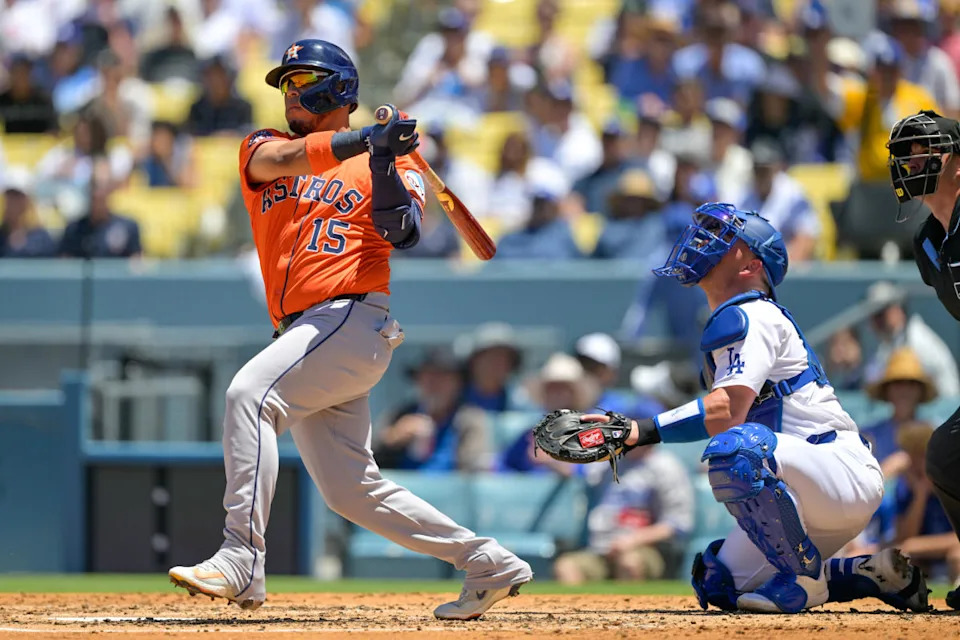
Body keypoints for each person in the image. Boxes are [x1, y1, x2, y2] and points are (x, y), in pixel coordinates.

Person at [166, 39, 532, 621]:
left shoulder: (389, 159)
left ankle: (241, 557)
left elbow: (405, 232)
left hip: (350, 318)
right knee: (349, 490)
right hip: (306, 334)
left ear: (338, 88)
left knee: (249, 396)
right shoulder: (261, 147)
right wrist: (369, 139)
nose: (290, 93)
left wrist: (386, 159)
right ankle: (486, 560)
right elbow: (286, 163)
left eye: (301, 80)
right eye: (285, 83)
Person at [535, 203, 929, 613]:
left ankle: (805, 579)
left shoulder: (753, 312)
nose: (705, 241)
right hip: (802, 488)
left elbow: (726, 411)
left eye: (728, 239)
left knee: (736, 451)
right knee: (717, 582)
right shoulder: (736, 317)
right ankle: (867, 573)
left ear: (752, 264)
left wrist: (639, 432)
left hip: (836, 470)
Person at [886, 108, 960, 609]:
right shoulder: (926, 241)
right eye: (907, 154)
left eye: (925, 150)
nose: (913, 161)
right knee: (946, 456)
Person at [553, 444, 693, 584]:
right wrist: (548, 456)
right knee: (566, 566)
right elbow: (574, 469)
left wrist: (633, 540)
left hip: (644, 549)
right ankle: (577, 606)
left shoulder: (666, 466)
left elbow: (678, 524)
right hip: (600, 550)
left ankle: (631, 606)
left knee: (629, 563)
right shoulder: (606, 462)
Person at [374, 346, 491, 472]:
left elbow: (476, 467)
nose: (435, 384)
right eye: (428, 376)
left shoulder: (470, 419)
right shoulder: (397, 415)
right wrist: (393, 438)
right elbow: (365, 459)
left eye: (443, 376)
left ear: (458, 383)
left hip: (450, 490)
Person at [862, 281, 960, 398]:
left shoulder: (918, 340)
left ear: (898, 309)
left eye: (881, 313)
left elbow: (946, 390)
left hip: (939, 409)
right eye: (873, 314)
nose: (876, 320)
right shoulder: (887, 343)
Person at [894, 421, 960, 584]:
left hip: (951, 554)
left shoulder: (952, 480)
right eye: (912, 455)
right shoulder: (905, 487)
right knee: (901, 557)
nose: (916, 462)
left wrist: (919, 545)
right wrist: (921, 495)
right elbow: (905, 537)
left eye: (921, 454)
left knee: (957, 555)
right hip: (927, 561)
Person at [862, 347, 938, 478]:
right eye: (898, 383)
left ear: (920, 390)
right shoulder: (869, 437)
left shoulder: (935, 436)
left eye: (911, 383)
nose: (904, 390)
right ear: (887, 390)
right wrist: (890, 468)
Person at [59, 159, 141, 259]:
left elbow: (137, 266)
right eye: (95, 184)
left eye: (104, 185)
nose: (99, 192)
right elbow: (65, 265)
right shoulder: (74, 230)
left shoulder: (128, 228)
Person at [573, 332, 663, 419]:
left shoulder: (631, 405)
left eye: (593, 367)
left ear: (612, 373)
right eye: (582, 364)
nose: (586, 372)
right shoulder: (564, 402)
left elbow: (659, 422)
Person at [185, 56, 253, 137]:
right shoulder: (196, 109)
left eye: (220, 77)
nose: (216, 83)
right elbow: (190, 136)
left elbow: (248, 134)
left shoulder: (243, 107)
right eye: (211, 78)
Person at [0, 167, 56, 258]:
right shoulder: (1, 236)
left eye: (17, 196)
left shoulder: (41, 239)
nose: (13, 202)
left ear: (28, 201)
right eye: (9, 196)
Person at [0, 55, 58, 134]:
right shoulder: (2, 101)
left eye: (24, 73)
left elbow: (53, 130)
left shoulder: (44, 100)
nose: (20, 78)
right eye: (16, 73)